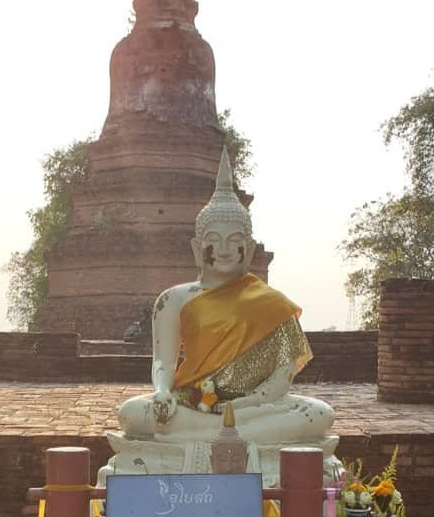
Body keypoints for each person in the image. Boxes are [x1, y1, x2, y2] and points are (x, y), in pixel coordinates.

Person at [117, 148, 333, 445]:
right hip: (192, 402)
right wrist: (162, 393)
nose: (224, 250)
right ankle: (230, 437)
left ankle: (202, 437)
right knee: (131, 414)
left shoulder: (272, 304)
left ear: (250, 249)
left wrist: (242, 405)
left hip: (252, 407)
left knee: (319, 414)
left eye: (235, 241)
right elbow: (163, 363)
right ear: (197, 248)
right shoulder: (174, 299)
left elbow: (282, 377)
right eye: (213, 241)